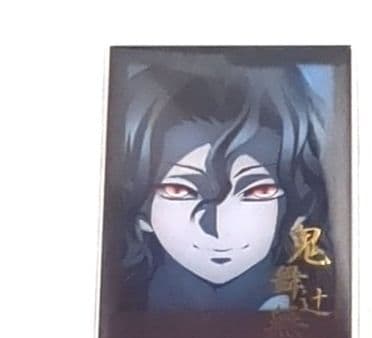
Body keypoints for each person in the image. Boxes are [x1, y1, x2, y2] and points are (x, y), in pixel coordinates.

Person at [112, 55, 333, 311]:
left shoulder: (318, 304)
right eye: (180, 190)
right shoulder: (118, 306)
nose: (217, 228)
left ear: (297, 203)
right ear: (140, 205)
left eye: (257, 191)